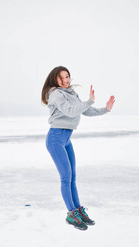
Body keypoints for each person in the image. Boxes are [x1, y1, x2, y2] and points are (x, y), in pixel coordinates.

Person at [41, 66, 115, 231]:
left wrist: (106, 109)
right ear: (55, 79)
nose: (66, 80)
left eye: (67, 77)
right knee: (65, 177)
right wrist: (89, 100)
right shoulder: (56, 94)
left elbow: (85, 110)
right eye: (62, 78)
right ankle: (71, 213)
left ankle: (78, 210)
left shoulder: (71, 93)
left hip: (66, 138)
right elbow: (69, 111)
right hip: (55, 139)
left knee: (72, 176)